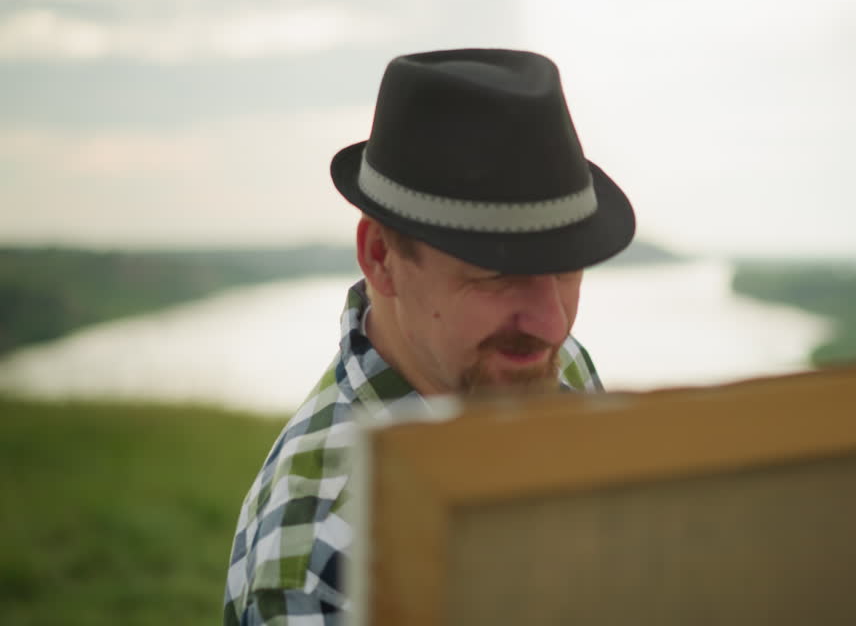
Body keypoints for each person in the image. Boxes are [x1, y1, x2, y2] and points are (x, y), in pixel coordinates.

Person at [222, 48, 635, 625]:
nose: (552, 325)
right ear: (380, 258)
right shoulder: (322, 554)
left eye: (567, 268)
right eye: (497, 274)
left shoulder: (540, 358)